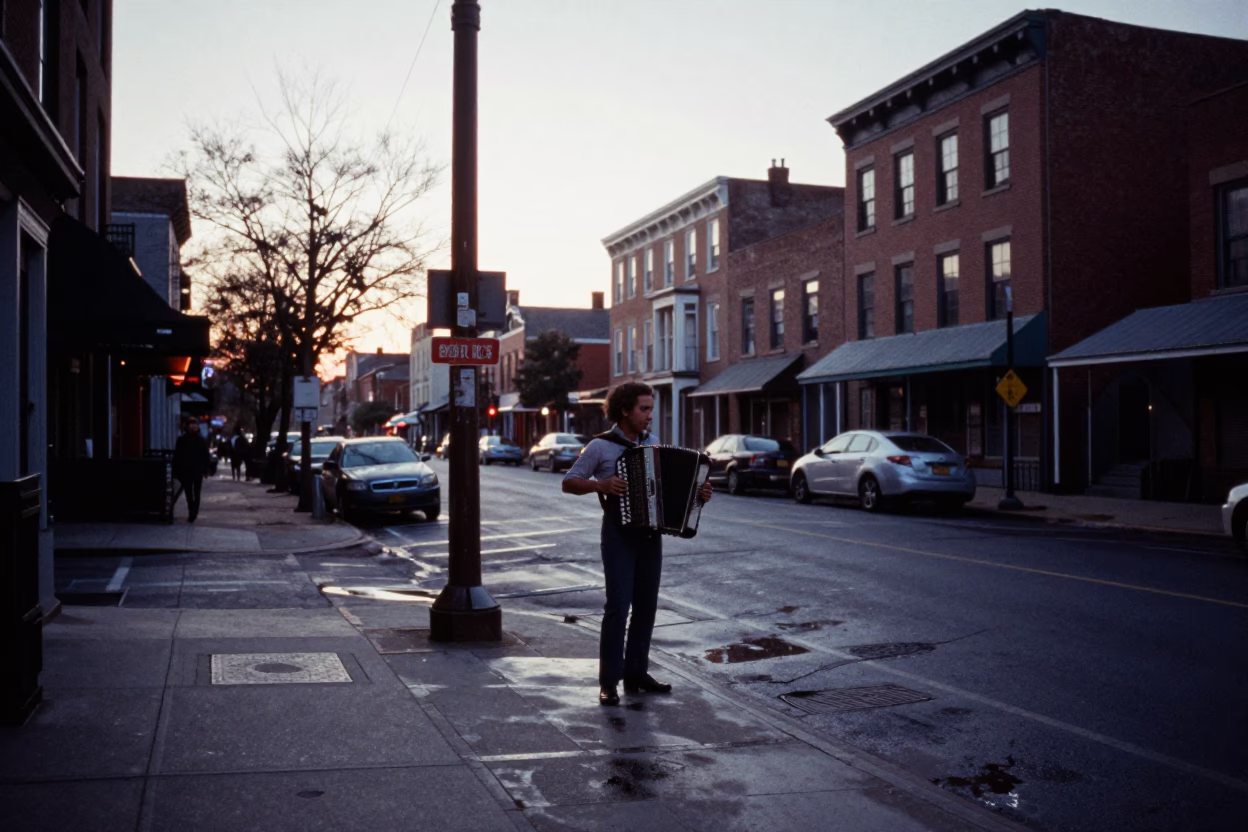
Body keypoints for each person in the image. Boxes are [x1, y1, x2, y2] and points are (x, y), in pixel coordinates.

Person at [562, 382, 712, 706]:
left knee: (646, 608)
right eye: (644, 409)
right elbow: (568, 482)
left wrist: (699, 495)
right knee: (618, 608)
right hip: (618, 535)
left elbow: (671, 492)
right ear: (625, 411)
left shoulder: (653, 444)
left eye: (651, 408)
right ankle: (608, 682)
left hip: (650, 537)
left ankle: (636, 673)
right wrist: (600, 484)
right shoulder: (600, 447)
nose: (649, 415)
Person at [172, 418, 213, 522]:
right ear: (186, 426)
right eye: (191, 424)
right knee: (189, 494)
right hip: (186, 471)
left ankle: (194, 512)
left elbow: (205, 456)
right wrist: (177, 470)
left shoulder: (201, 440)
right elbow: (177, 456)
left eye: (195, 424)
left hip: (197, 470)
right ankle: (191, 511)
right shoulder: (181, 440)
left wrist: (206, 469)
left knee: (197, 493)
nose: (193, 426)